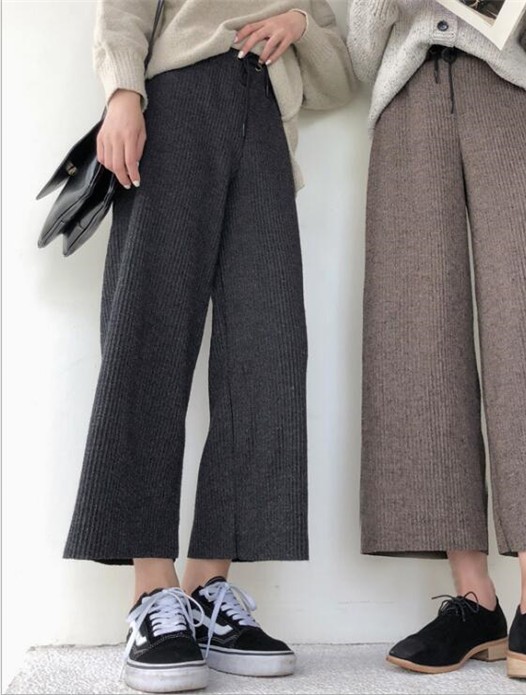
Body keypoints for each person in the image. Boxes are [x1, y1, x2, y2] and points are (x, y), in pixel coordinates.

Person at [62, 1, 356, 692]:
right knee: (149, 334)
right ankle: (151, 589)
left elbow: (339, 78)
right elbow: (124, 11)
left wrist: (301, 24)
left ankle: (207, 589)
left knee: (269, 347)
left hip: (266, 125)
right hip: (176, 101)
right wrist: (123, 95)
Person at [347, 0, 526, 682]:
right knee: (415, 330)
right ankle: (475, 601)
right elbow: (364, 45)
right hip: (408, 98)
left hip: (506, 91)